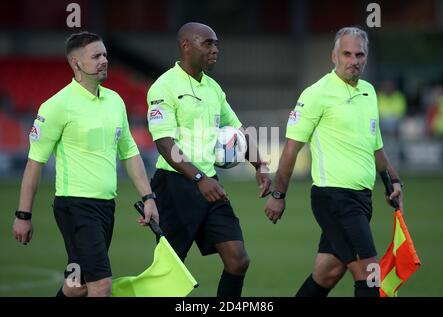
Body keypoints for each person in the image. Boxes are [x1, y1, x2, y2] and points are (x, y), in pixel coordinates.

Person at [12, 32, 159, 297]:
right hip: (75, 206)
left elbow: (130, 153)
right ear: (76, 64)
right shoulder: (57, 105)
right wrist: (23, 215)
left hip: (106, 207)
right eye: (96, 56)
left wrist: (148, 197)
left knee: (76, 286)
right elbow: (34, 164)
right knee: (100, 286)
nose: (104, 60)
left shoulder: (115, 101)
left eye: (104, 54)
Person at [264, 27, 403, 297]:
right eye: (346, 54)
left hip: (362, 199)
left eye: (359, 54)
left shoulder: (369, 92)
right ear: (334, 56)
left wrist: (393, 181)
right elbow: (291, 148)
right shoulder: (316, 93)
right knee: (369, 273)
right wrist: (278, 195)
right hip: (334, 199)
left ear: (366, 57)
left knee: (327, 273)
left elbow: (376, 149)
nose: (353, 60)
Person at [146, 22, 271, 297]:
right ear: (186, 46)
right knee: (170, 274)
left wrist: (259, 165)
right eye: (208, 43)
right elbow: (165, 143)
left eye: (216, 44)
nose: (215, 50)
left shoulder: (213, 88)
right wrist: (200, 178)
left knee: (238, 260)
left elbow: (237, 129)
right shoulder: (164, 87)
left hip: (209, 185)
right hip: (174, 186)